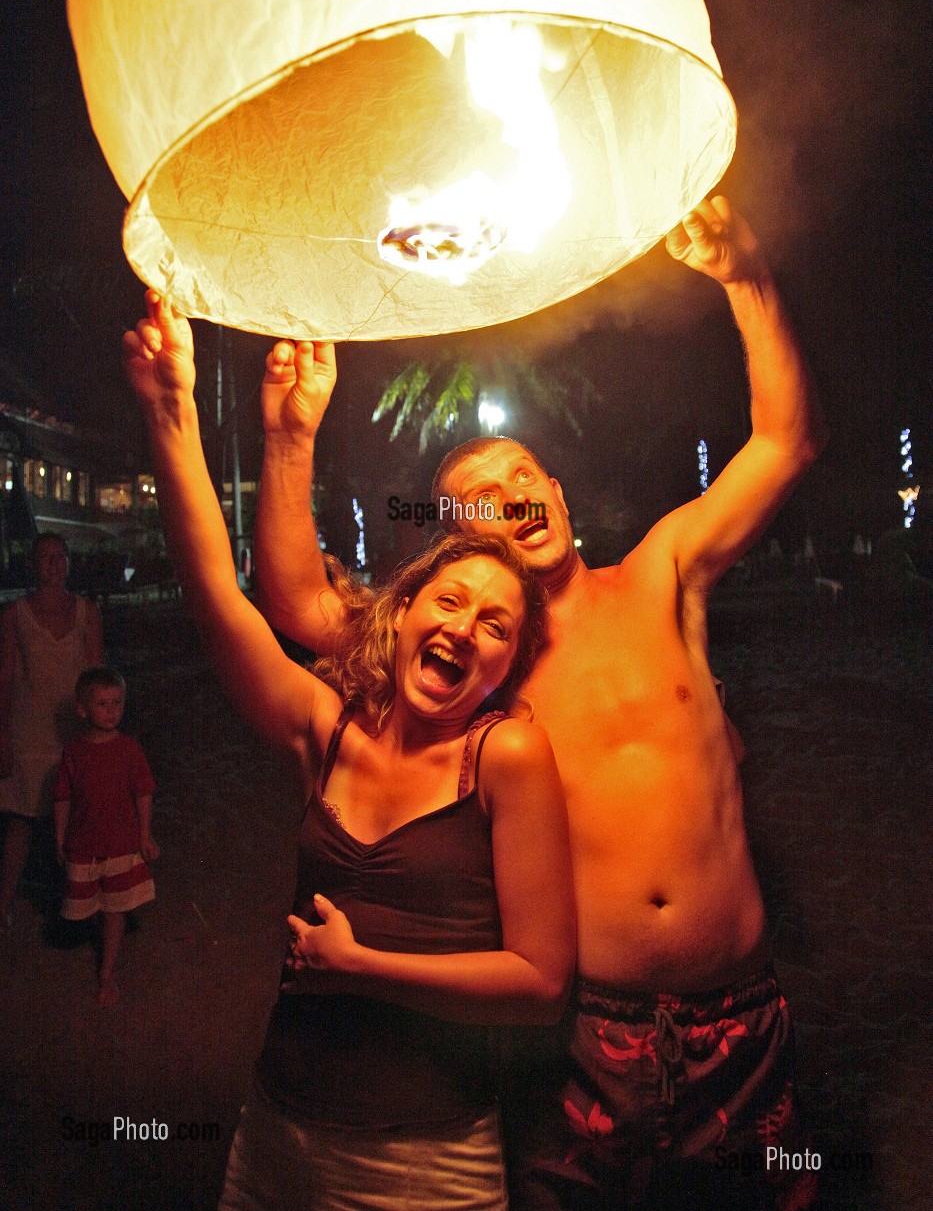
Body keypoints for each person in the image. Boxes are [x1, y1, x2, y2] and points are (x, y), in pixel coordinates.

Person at [252, 196, 827, 1209]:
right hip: (582, 1037)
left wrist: (747, 277)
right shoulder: (476, 666)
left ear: (555, 492)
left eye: (522, 478)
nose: (512, 500)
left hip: (741, 1015)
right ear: (465, 546)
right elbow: (298, 602)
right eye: (480, 505)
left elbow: (786, 440)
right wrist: (292, 434)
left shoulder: (660, 572)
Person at [123, 293, 575, 1211]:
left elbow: (539, 984)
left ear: (506, 665)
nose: (466, 628)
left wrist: (361, 966)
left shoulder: (505, 757)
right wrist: (172, 411)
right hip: (275, 1130)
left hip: (428, 1157)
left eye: (496, 625)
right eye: (449, 601)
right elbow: (218, 594)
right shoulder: (325, 730)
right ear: (400, 615)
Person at [0, 532, 103, 926]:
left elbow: (96, 676)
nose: (55, 563)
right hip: (29, 734)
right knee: (22, 821)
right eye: (47, 556)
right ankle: (4, 905)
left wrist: (98, 732)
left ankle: (82, 904)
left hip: (73, 734)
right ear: (33, 563)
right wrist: (3, 735)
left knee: (78, 820)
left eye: (61, 556)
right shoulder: (15, 615)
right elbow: (5, 677)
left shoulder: (87, 613)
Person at [53, 666, 158, 1005]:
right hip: (84, 846)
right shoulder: (74, 752)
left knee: (115, 909)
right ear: (82, 709)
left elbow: (143, 793)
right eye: (102, 704)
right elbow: (63, 798)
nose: (112, 711)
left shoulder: (129, 749)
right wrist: (60, 838)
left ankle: (106, 973)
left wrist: (145, 835)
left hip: (120, 845)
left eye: (117, 703)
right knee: (89, 905)